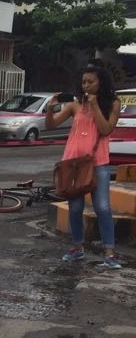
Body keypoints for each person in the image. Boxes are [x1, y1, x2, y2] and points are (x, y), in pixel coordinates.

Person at [46, 66, 122, 269]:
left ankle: (109, 252)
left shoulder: (113, 103)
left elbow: (106, 129)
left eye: (91, 81)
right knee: (76, 207)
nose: (86, 85)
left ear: (101, 82)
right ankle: (77, 247)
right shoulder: (74, 105)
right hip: (72, 163)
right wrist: (50, 109)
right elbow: (51, 126)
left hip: (99, 164)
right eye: (84, 82)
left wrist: (95, 105)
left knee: (103, 208)